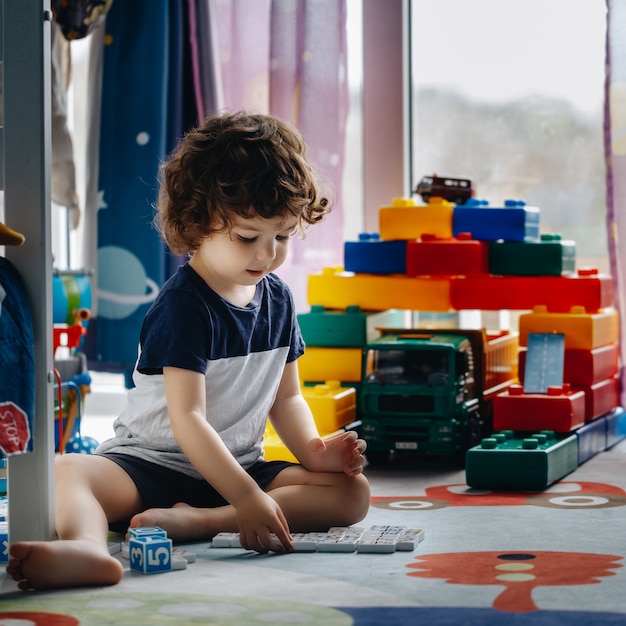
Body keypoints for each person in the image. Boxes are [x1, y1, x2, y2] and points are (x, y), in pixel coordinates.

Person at [7, 111, 370, 591]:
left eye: (281, 236)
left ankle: (201, 521)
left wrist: (315, 452)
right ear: (199, 223)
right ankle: (88, 549)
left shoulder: (277, 297)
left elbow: (287, 399)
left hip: (237, 464)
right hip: (149, 465)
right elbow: (188, 419)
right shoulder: (184, 303)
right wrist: (247, 497)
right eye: (248, 237)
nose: (267, 254)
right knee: (65, 471)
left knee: (352, 494)